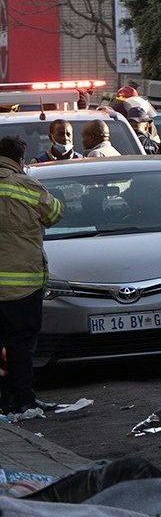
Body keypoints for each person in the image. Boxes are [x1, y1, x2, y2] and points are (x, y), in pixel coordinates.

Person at [0, 135, 61, 420]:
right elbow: (55, 214)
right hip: (22, 284)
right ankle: (23, 399)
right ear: (20, 160)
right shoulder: (26, 186)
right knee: (21, 345)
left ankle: (4, 400)